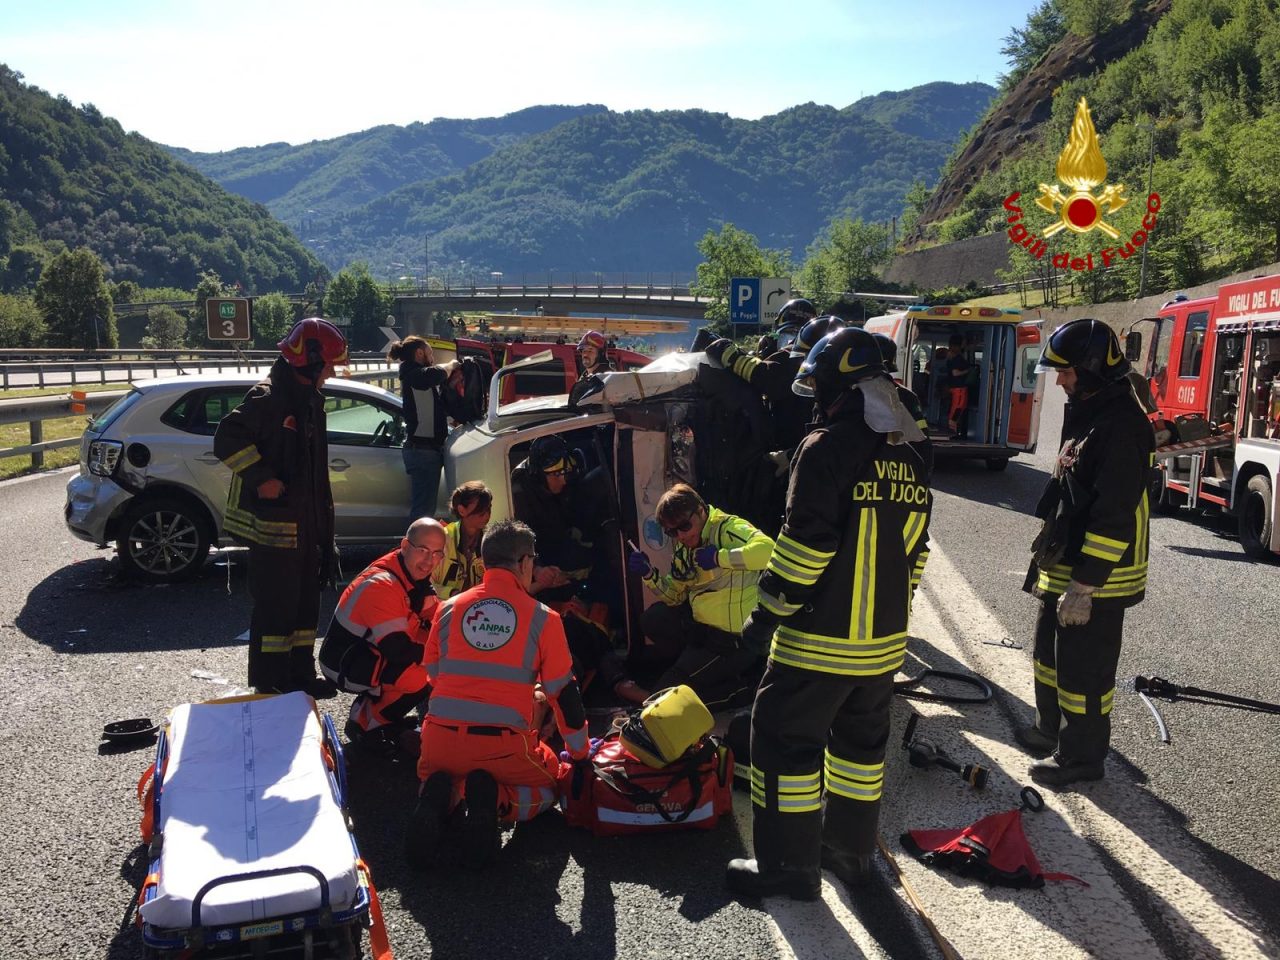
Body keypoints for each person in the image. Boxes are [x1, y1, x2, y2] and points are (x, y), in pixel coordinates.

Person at [725, 326, 931, 900]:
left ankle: (788, 871)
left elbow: (805, 548)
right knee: (859, 755)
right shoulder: (911, 452)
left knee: (784, 743)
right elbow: (916, 553)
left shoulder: (823, 449)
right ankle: (850, 854)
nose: (814, 399)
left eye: (820, 387)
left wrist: (766, 615)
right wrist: (889, 611)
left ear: (838, 387)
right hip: (884, 645)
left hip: (817, 642)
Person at [1017, 318, 1154, 787]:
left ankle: (1082, 759)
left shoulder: (1120, 426)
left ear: (1093, 369)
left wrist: (1085, 586)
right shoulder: (1091, 407)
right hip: (1065, 561)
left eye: (1067, 372)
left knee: (1084, 675)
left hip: (1098, 575)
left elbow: (1112, 516)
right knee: (1048, 657)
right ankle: (1048, 730)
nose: (1060, 381)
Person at [407, 520, 590, 869]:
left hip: (439, 741)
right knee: (550, 785)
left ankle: (445, 797)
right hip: (503, 746)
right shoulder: (543, 618)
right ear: (523, 563)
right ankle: (498, 803)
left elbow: (433, 674)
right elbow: (564, 695)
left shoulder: (448, 608)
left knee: (449, 774)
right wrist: (579, 756)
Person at [214, 317, 348, 697]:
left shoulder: (305, 399)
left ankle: (299, 676)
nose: (332, 372)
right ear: (311, 360)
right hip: (275, 527)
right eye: (330, 364)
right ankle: (271, 681)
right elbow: (226, 439)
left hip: (305, 523)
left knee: (306, 604)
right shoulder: (269, 397)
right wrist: (261, 478)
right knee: (277, 609)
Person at [626, 483, 774, 709]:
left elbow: (768, 551)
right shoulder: (683, 547)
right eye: (671, 532)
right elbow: (673, 596)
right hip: (703, 632)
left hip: (733, 641)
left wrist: (719, 558)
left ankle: (741, 690)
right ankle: (700, 672)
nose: (681, 536)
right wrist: (649, 574)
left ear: (701, 511)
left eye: (684, 527)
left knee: (660, 703)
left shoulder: (726, 528)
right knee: (653, 619)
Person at [318, 518, 448, 752]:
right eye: (423, 551)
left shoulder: (408, 569)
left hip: (369, 650)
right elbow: (399, 651)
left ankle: (378, 711)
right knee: (426, 674)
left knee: (430, 645)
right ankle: (368, 724)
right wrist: (446, 654)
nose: (430, 561)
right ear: (405, 546)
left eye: (438, 553)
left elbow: (436, 613)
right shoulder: (382, 585)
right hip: (346, 664)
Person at [388, 335, 460, 523]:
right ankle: (416, 548)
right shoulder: (414, 375)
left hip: (427, 450)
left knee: (426, 507)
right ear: (419, 353)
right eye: (430, 352)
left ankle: (419, 546)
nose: (433, 357)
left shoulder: (419, 377)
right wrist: (452, 365)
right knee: (423, 510)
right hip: (422, 451)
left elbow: (436, 406)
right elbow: (435, 374)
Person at [871, 332, 934, 479]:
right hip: (899, 477)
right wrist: (923, 480)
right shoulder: (907, 396)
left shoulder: (850, 395)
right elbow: (923, 443)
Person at [433, 481, 492, 600]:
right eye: (481, 510)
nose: (486, 515)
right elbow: (425, 584)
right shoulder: (442, 539)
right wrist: (452, 593)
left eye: (488, 508)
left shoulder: (491, 541)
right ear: (461, 510)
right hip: (443, 607)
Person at [569, 330, 613, 405]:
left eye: (590, 350)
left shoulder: (607, 379)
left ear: (600, 354)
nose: (585, 355)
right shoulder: (585, 377)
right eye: (583, 351)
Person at [945, 335, 971, 439]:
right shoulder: (957, 358)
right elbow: (955, 373)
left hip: (956, 388)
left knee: (958, 410)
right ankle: (952, 434)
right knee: (956, 410)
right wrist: (968, 371)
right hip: (958, 389)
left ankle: (954, 432)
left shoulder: (953, 357)